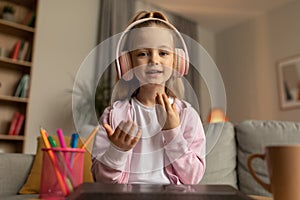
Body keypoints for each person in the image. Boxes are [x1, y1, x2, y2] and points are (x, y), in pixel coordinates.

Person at [91, 11, 206, 184]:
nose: (154, 60)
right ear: (127, 64)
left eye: (163, 53)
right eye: (143, 54)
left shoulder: (187, 116)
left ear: (177, 62)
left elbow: (193, 178)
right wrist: (116, 151)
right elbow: (100, 179)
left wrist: (173, 133)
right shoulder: (112, 116)